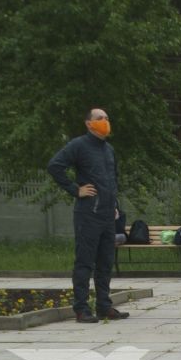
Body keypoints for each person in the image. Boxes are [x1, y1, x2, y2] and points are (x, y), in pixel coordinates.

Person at [47, 106, 129, 324]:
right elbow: (55, 166)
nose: (105, 121)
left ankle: (104, 306)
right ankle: (81, 309)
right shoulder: (78, 145)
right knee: (85, 262)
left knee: (105, 262)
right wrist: (76, 189)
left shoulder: (109, 149)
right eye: (99, 118)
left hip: (107, 215)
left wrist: (114, 204)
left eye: (107, 118)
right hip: (88, 214)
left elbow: (113, 179)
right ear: (89, 123)